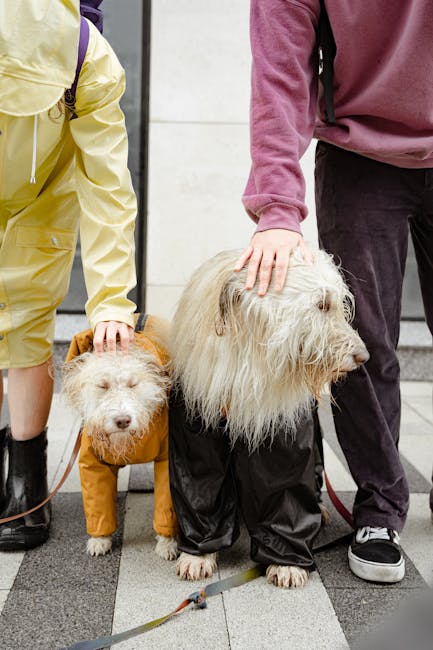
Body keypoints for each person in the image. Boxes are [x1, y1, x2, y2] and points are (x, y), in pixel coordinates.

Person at [235, 0, 433, 584]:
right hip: (359, 154)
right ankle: (380, 507)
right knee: (358, 340)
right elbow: (280, 75)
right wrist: (277, 207)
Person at [0, 0, 137, 550]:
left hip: (43, 188)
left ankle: (26, 482)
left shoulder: (87, 58)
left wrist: (111, 301)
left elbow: (107, 189)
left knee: (27, 316)